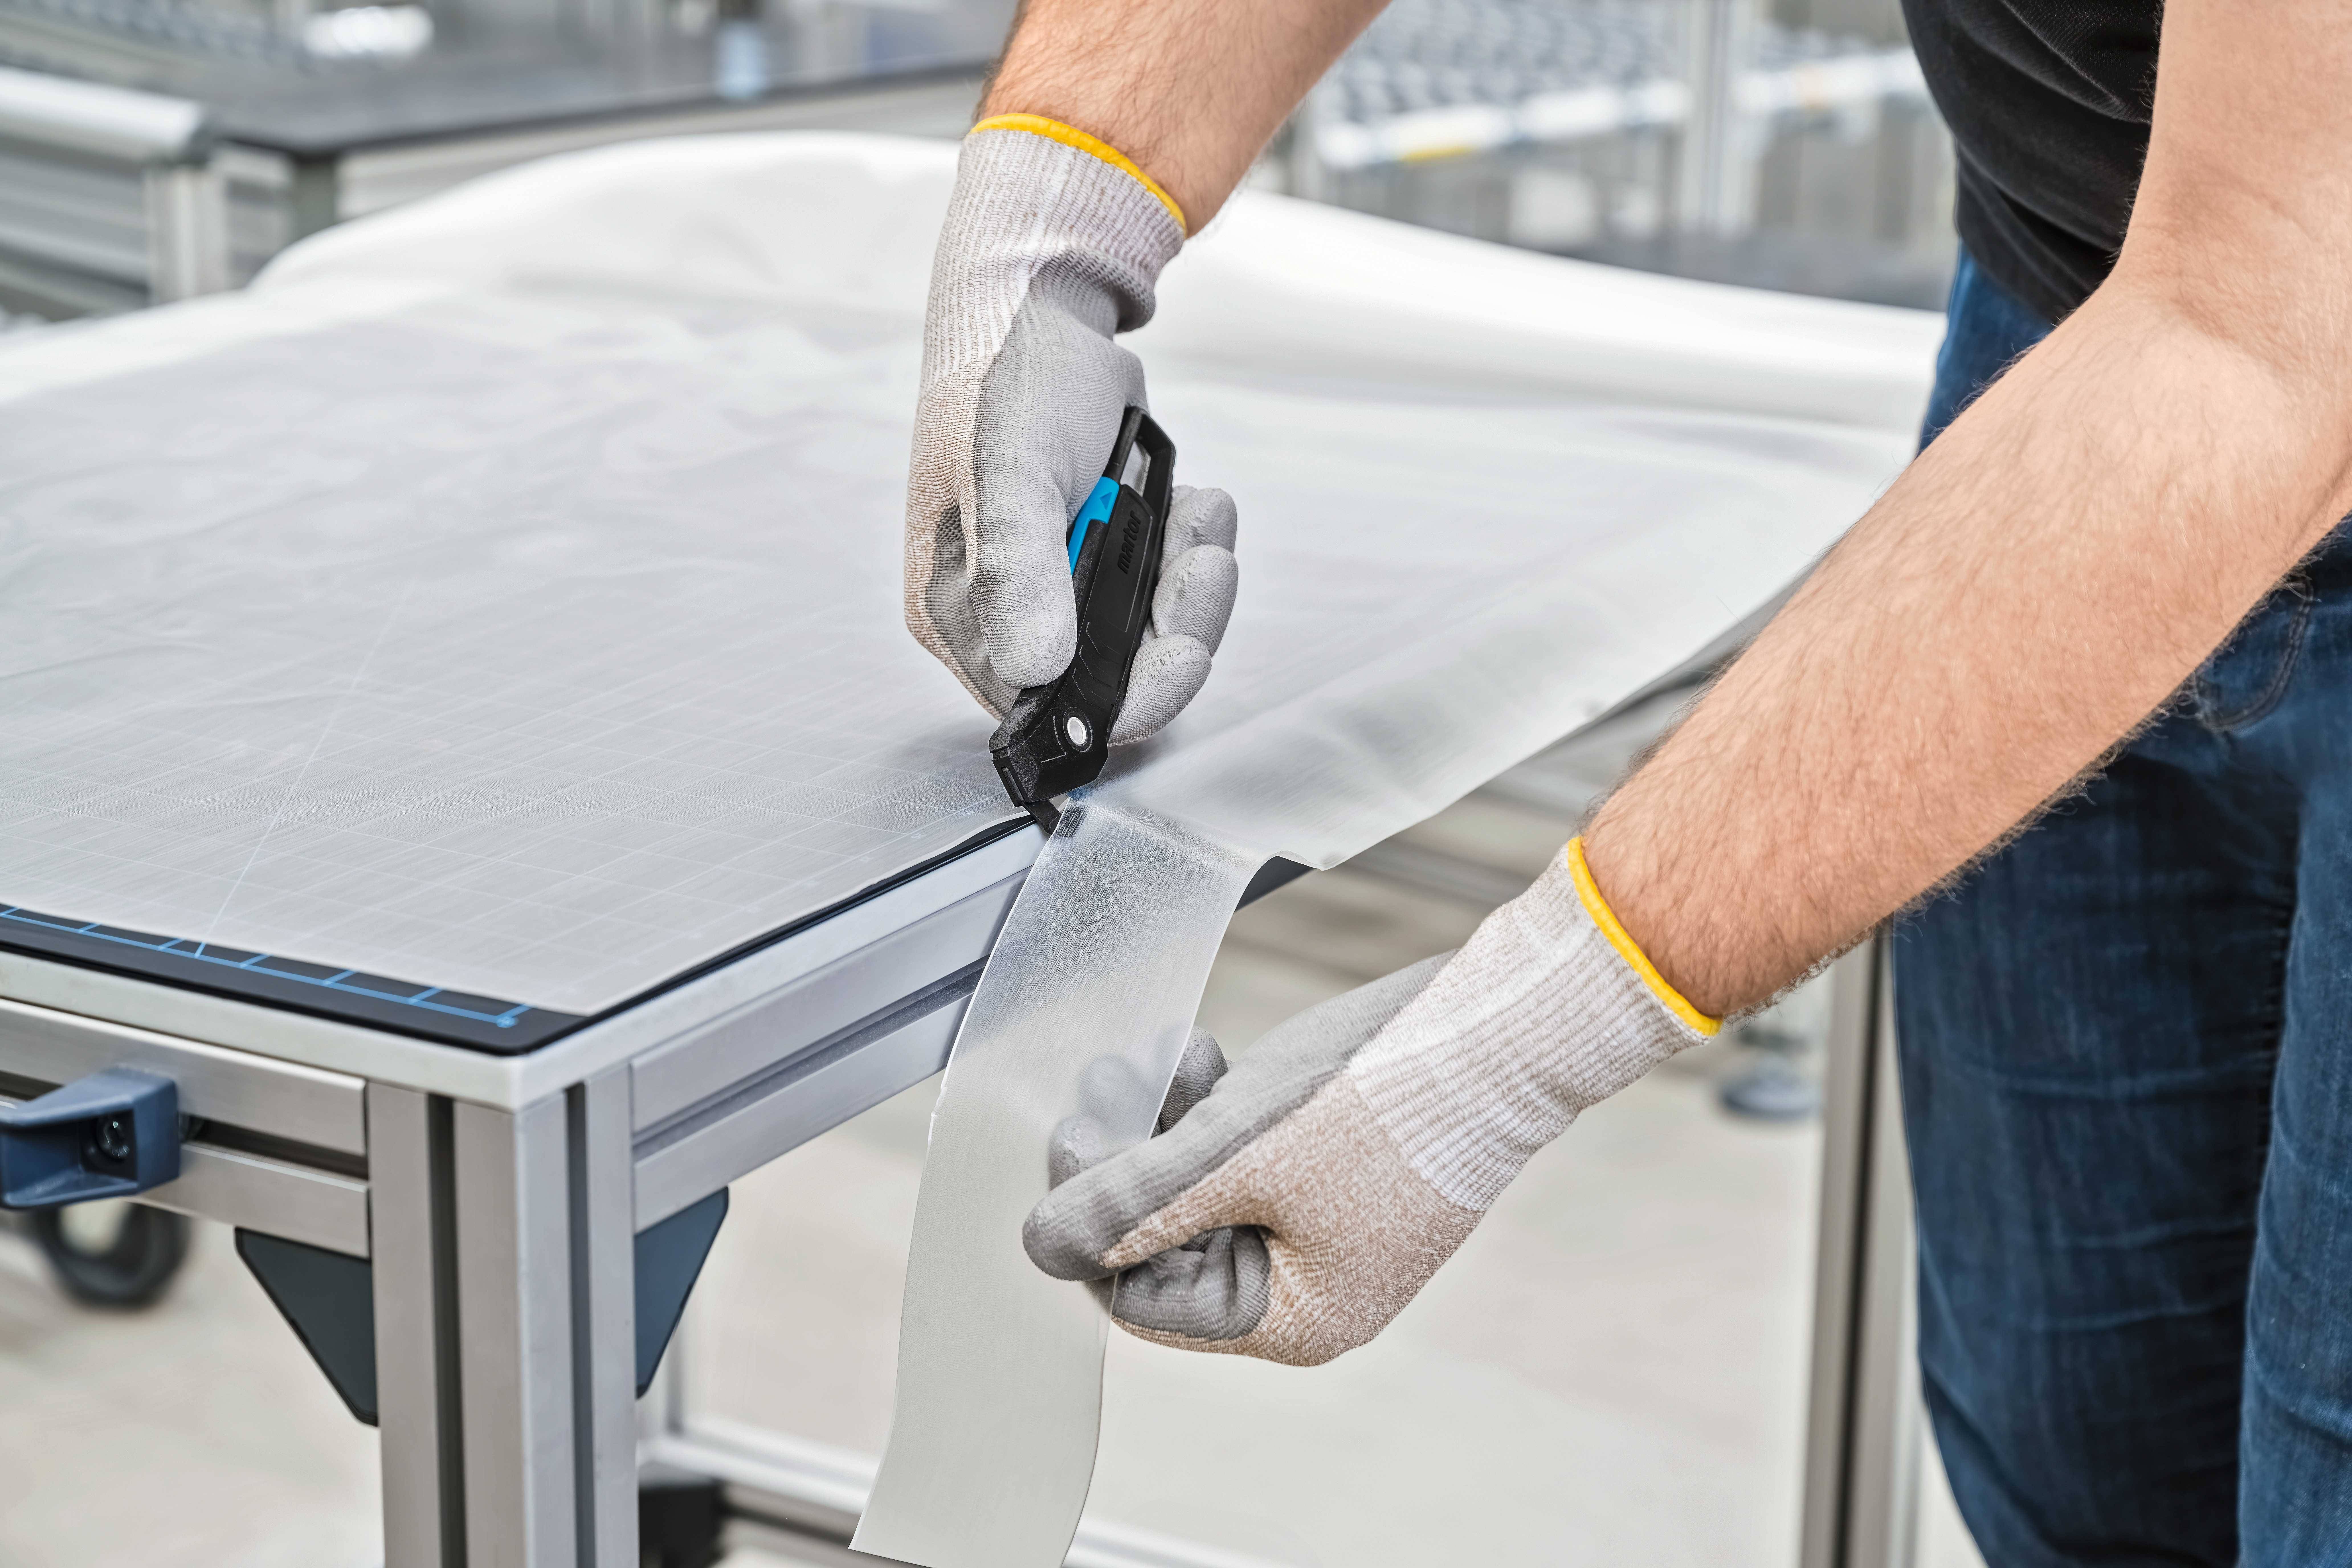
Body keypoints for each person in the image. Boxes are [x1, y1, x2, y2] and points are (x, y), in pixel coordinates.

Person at [900, 1, 2352, 1559]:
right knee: (2077, 1469)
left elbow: (2269, 321)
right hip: (2071, 299)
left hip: (2264, 315)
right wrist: (1048, 232)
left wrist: (1503, 1048)